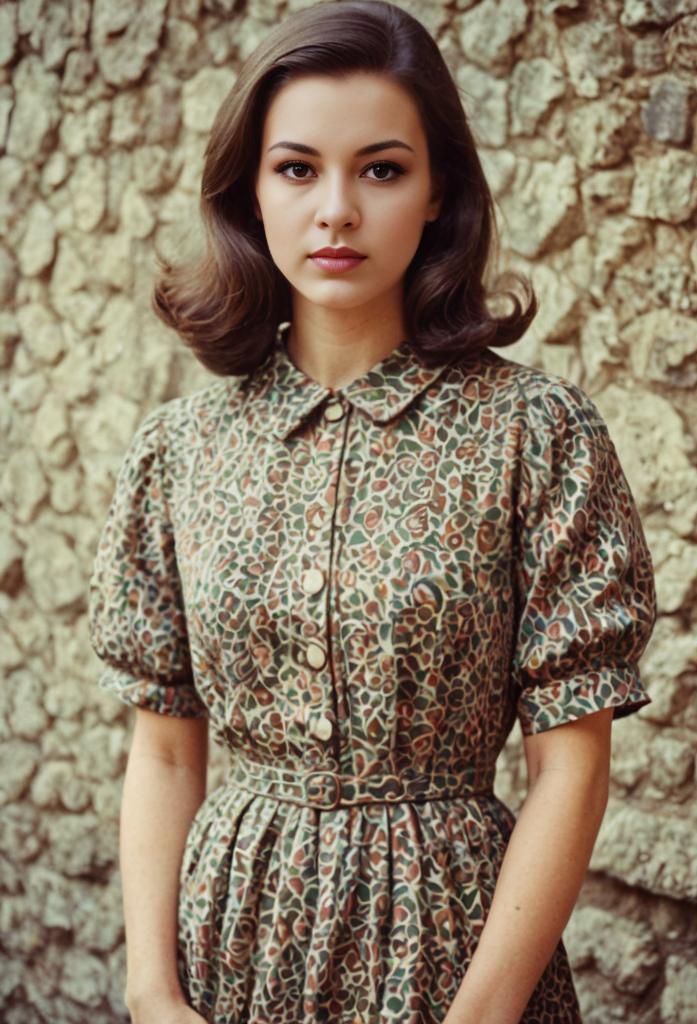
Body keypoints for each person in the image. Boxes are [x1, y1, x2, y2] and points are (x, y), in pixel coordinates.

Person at [87, 2, 658, 1022]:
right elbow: (167, 747)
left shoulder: (535, 432)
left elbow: (571, 762)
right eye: (297, 168)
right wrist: (150, 990)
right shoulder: (178, 450)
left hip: (457, 949)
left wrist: (479, 1016)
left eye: (382, 169)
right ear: (249, 192)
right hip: (230, 946)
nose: (337, 211)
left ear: (438, 190)